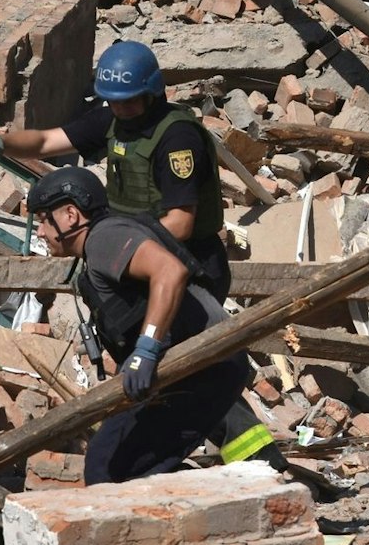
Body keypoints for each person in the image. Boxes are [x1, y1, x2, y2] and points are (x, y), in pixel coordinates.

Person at [25, 167, 298, 486]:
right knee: (118, 458)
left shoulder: (104, 238)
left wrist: (145, 350)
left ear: (71, 214)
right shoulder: (102, 242)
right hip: (196, 364)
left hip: (199, 364)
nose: (41, 232)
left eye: (45, 219)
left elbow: (169, 271)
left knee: (109, 467)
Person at [0, 41, 231, 303]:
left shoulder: (177, 138)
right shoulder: (112, 121)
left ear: (152, 94)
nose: (122, 109)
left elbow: (181, 224)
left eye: (129, 101)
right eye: (114, 102)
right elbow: (45, 142)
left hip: (190, 265)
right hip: (138, 257)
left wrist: (113, 244)